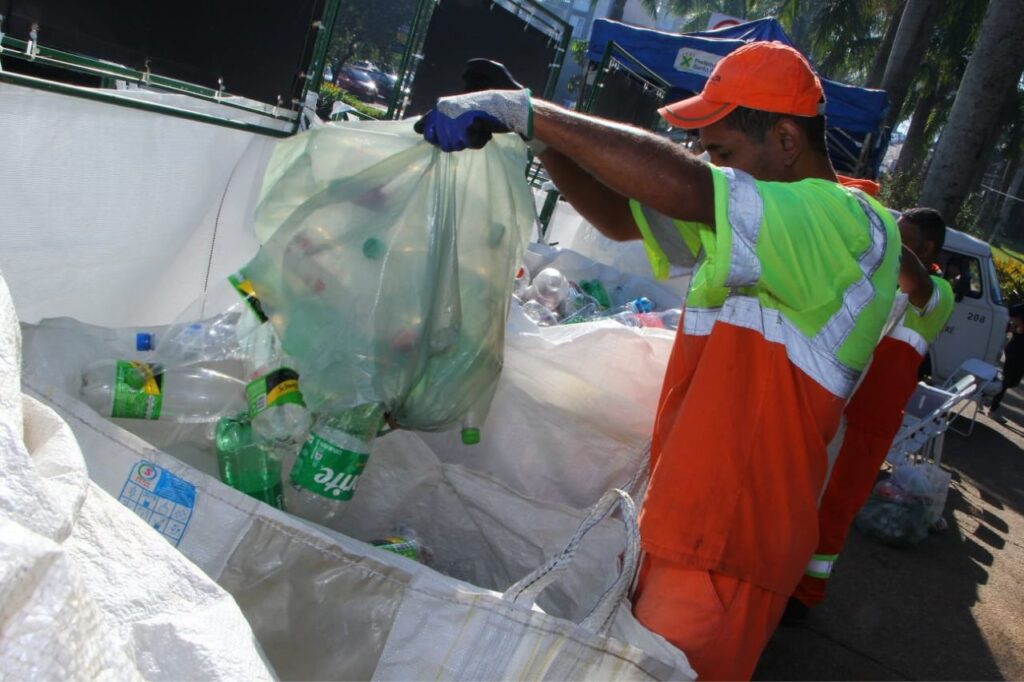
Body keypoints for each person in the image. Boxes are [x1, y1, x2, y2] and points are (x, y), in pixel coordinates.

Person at [417, 42, 901, 680]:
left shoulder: (845, 224)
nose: (709, 163)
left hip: (727, 547)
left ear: (786, 140)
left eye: (721, 150)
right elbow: (624, 216)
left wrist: (532, 111)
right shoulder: (771, 225)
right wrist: (540, 139)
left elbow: (684, 183)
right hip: (695, 530)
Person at [785, 207, 954, 623]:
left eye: (903, 236)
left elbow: (917, 285)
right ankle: (782, 573)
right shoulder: (877, 281)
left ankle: (806, 593)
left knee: (835, 507)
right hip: (836, 404)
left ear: (927, 247)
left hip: (869, 422)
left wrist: (880, 233)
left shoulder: (938, 293)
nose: (892, 242)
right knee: (802, 493)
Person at [990, 304, 1024, 420]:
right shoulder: (1022, 307)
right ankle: (993, 408)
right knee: (1008, 379)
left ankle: (985, 394)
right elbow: (1009, 312)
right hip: (1015, 349)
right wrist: (1018, 325)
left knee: (1013, 381)